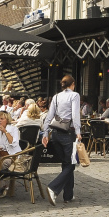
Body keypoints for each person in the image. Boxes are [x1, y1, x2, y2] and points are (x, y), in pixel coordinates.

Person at [41, 75, 82, 205]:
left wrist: (45, 133)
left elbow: (49, 116)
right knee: (71, 164)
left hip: (56, 133)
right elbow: (75, 115)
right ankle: (53, 187)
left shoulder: (56, 96)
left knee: (66, 163)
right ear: (73, 84)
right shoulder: (74, 95)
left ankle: (68, 195)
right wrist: (78, 131)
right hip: (68, 132)